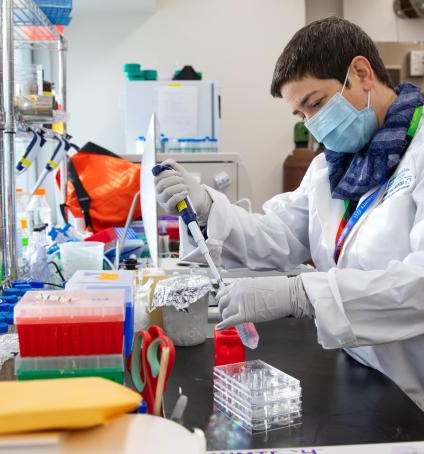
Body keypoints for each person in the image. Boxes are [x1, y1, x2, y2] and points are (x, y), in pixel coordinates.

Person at [155, 16, 424, 411]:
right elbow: (276, 235)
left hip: (415, 394)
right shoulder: (332, 169)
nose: (314, 126)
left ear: (362, 73)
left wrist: (304, 295)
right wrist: (208, 206)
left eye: (315, 104)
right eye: (302, 115)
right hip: (363, 376)